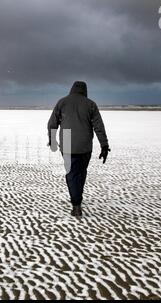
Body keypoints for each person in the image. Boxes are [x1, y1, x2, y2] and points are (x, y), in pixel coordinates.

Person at [47, 81, 110, 217]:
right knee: (81, 172)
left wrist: (52, 140)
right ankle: (77, 199)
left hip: (68, 141)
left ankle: (76, 204)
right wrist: (104, 145)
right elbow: (99, 126)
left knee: (72, 173)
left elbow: (52, 123)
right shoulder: (90, 104)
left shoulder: (62, 102)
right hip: (85, 143)